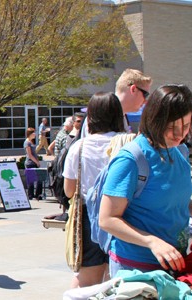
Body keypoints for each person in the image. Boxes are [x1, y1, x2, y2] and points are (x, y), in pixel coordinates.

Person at [99, 84, 192, 277]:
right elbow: (107, 219)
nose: (179, 134)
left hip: (175, 263)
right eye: (171, 127)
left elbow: (170, 199)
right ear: (154, 120)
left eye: (185, 126)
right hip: (136, 267)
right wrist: (152, 241)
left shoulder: (180, 151)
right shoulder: (131, 159)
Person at [62, 92, 126, 288]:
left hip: (88, 217)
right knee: (118, 278)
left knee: (87, 278)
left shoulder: (79, 147)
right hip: (124, 214)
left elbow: (69, 191)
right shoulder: (127, 143)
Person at [81, 69, 152, 138]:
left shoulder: (123, 116)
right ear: (133, 89)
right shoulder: (98, 114)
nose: (145, 101)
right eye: (145, 95)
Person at [24, 127, 43, 200]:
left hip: (34, 162)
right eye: (33, 133)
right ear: (30, 134)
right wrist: (36, 162)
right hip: (30, 163)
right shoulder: (27, 142)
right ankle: (30, 195)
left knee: (39, 179)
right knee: (31, 180)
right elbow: (30, 155)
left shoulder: (32, 142)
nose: (35, 134)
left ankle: (38, 194)